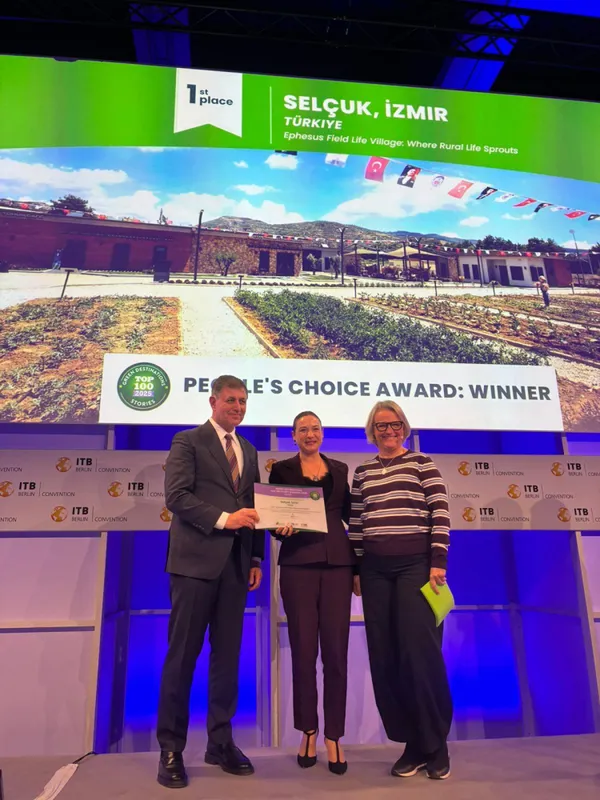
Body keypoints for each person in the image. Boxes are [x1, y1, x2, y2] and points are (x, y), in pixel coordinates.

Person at [156, 375, 265, 789]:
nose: (237, 407)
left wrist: (255, 557)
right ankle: (171, 749)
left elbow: (252, 506)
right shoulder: (188, 441)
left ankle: (220, 742)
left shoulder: (248, 450)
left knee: (227, 660)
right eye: (231, 400)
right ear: (213, 401)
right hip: (193, 566)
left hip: (236, 568)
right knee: (182, 657)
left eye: (243, 401)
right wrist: (224, 519)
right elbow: (177, 496)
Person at [349, 401, 453, 781]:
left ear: (404, 427)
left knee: (419, 654)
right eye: (381, 426)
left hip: (416, 568)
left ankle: (436, 744)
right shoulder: (362, 472)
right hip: (375, 571)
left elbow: (440, 512)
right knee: (386, 656)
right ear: (372, 431)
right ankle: (412, 744)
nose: (388, 431)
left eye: (394, 424)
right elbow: (356, 524)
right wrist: (357, 569)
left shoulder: (423, 463)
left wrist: (438, 560)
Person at [268, 411, 357, 775]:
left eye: (315, 428)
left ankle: (334, 735)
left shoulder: (339, 469)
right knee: (304, 654)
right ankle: (308, 730)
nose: (310, 434)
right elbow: (273, 518)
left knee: (336, 655)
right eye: (303, 429)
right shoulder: (281, 470)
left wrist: (359, 569)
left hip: (338, 566)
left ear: (323, 433)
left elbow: (352, 517)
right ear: (293, 436)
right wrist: (279, 528)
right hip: (298, 566)